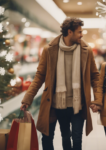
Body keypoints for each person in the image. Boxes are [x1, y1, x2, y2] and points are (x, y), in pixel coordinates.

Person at [20, 17, 101, 150]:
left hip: (78, 104)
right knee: (60, 137)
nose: (82, 35)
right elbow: (39, 76)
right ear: (70, 32)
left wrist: (97, 101)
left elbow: (95, 77)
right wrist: (27, 99)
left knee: (77, 139)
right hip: (56, 104)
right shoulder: (49, 50)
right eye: (79, 32)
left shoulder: (86, 50)